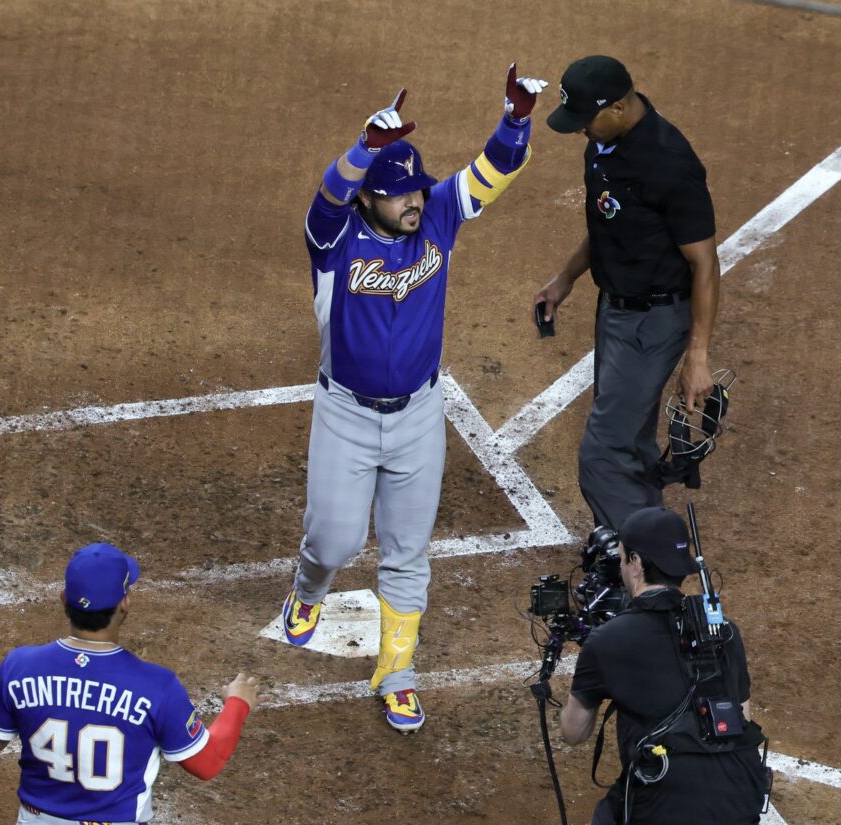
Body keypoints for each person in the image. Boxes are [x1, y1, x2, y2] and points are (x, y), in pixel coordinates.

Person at [281, 67, 548, 733]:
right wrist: (365, 147)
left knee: (407, 549)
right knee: (335, 539)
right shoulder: (334, 241)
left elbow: (495, 169)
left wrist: (515, 119)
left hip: (420, 415)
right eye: (399, 195)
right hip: (344, 413)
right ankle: (308, 587)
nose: (415, 202)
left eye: (417, 191)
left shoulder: (440, 217)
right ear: (369, 198)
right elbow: (325, 196)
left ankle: (395, 672)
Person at [535, 55, 722, 535]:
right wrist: (566, 277)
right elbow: (608, 222)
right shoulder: (604, 144)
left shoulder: (669, 165)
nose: (580, 131)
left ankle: (634, 562)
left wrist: (697, 357)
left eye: (586, 120)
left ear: (619, 107)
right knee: (632, 441)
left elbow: (705, 263)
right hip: (615, 311)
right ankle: (646, 531)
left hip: (654, 319)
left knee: (605, 450)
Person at [0, 543, 260, 824]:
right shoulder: (157, 686)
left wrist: (5, 691)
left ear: (64, 598)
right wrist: (238, 703)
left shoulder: (19, 667)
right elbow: (207, 762)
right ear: (125, 603)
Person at [560, 507, 769, 824]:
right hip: (742, 794)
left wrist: (594, 666)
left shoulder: (608, 640)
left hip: (666, 801)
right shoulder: (725, 631)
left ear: (636, 563)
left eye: (622, 559)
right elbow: (742, 718)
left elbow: (573, 732)